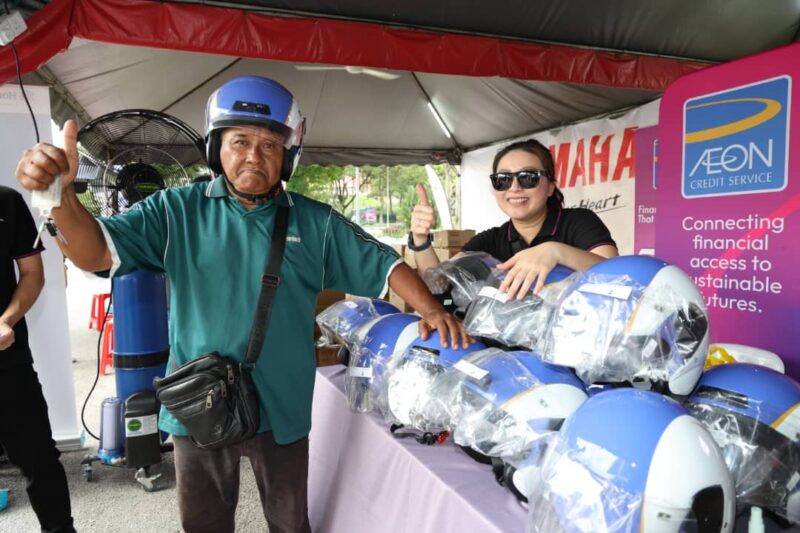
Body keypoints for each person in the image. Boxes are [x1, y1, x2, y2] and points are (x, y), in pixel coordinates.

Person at [15, 75, 468, 533]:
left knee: (290, 523)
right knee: (204, 524)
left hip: (282, 405)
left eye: (270, 145)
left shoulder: (315, 223)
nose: (254, 155)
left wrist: (431, 309)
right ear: (216, 148)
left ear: (288, 156)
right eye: (239, 142)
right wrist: (61, 196)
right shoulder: (176, 210)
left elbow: (386, 264)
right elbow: (94, 253)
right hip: (199, 401)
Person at [410, 138, 618, 299]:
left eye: (528, 177)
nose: (515, 187)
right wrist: (420, 240)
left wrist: (556, 252)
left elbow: (619, 275)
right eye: (503, 179)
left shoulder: (578, 221)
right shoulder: (490, 241)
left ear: (550, 187)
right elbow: (439, 284)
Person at [0, 185, 76, 532]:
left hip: (7, 359)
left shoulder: (6, 201)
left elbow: (32, 274)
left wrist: (6, 320)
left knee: (38, 457)